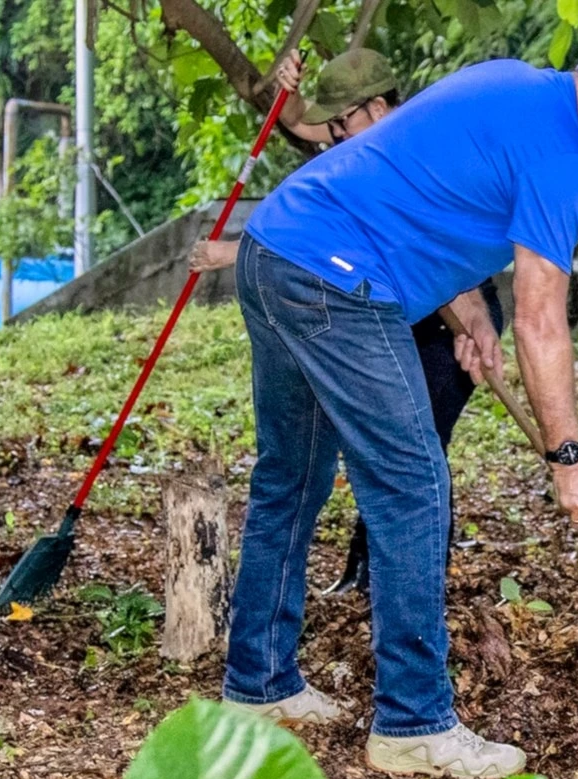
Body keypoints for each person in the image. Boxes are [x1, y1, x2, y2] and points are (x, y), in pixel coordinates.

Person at [220, 43, 578, 779]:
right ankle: (413, 724)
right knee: (414, 487)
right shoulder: (562, 159)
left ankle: (257, 686)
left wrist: (471, 312)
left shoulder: (509, 82)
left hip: (278, 248)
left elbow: (421, 188)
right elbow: (543, 321)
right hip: (336, 281)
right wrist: (569, 461)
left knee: (291, 477)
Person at [189, 48, 506, 597]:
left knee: (415, 451)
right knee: (379, 450)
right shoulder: (358, 146)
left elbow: (436, 257)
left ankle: (406, 584)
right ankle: (368, 575)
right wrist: (286, 89)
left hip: (451, 310)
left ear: (379, 108)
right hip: (387, 305)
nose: (331, 135)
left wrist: (228, 255)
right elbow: (297, 129)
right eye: (331, 122)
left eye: (342, 121)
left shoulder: (413, 152)